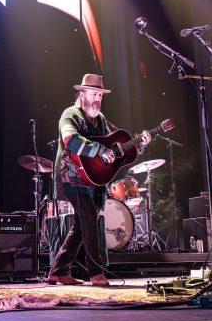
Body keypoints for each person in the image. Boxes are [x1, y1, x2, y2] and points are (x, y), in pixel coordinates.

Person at [47, 74, 151, 286]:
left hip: (93, 180)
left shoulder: (101, 120)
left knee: (83, 223)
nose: (98, 99)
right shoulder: (70, 114)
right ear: (82, 94)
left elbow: (118, 144)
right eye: (94, 94)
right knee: (88, 220)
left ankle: (58, 270)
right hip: (72, 177)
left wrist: (140, 142)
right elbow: (70, 139)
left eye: (100, 95)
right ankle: (95, 272)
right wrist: (99, 150)